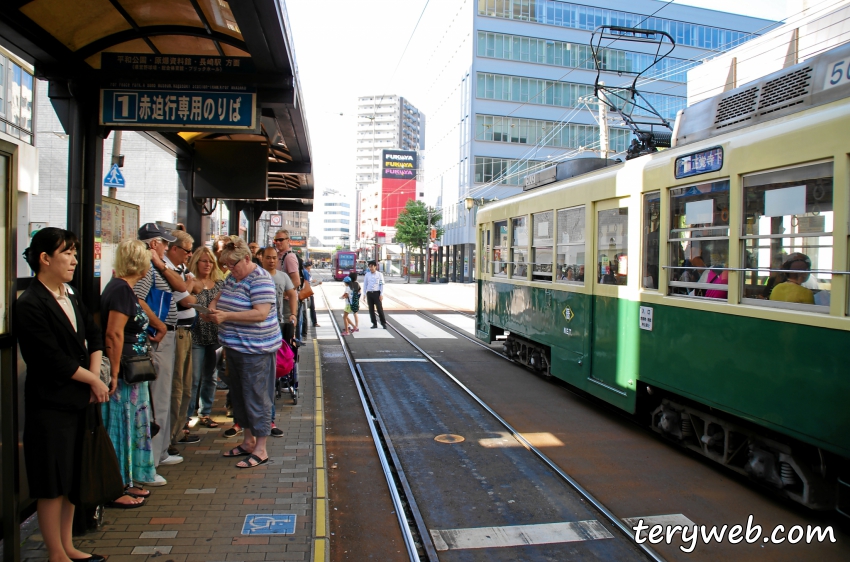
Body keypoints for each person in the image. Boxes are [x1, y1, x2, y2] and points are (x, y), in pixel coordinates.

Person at [16, 228, 109, 562]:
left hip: (79, 399)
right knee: (51, 480)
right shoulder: (30, 303)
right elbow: (50, 359)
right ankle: (56, 552)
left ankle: (68, 545)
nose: (73, 260)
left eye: (74, 252)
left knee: (72, 476)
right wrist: (94, 381)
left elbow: (94, 334)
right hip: (50, 405)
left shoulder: (69, 293)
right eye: (66, 253)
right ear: (45, 259)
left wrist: (96, 374)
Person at [203, 238, 280, 468]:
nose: (229, 269)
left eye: (232, 264)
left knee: (257, 397)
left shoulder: (260, 279)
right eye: (225, 265)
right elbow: (218, 300)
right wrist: (212, 310)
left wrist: (226, 317)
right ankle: (248, 441)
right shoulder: (233, 278)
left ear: (247, 259)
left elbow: (260, 313)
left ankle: (261, 448)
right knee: (240, 397)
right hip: (234, 347)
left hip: (256, 350)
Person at [101, 239, 162, 499]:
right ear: (139, 262)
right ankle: (117, 486)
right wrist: (113, 373)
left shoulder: (121, 288)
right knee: (121, 429)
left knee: (131, 428)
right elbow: (113, 334)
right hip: (124, 374)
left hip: (132, 373)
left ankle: (127, 481)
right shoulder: (120, 290)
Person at [134, 223, 186, 469]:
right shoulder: (145, 269)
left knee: (163, 396)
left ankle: (161, 451)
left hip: (165, 337)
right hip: (157, 339)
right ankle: (152, 460)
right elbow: (136, 298)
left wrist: (161, 264)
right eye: (165, 243)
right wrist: (160, 325)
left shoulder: (158, 267)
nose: (167, 247)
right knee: (158, 398)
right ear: (153, 244)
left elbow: (181, 286)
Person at [166, 230, 199, 456]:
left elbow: (197, 289)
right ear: (174, 249)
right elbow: (187, 299)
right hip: (176, 333)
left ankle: (178, 431)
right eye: (187, 251)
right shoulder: (167, 269)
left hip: (186, 332)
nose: (189, 255)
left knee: (186, 385)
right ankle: (169, 438)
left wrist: (189, 287)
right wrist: (188, 288)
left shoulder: (181, 269)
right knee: (177, 386)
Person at [261, 246, 298, 436]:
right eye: (268, 257)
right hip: (256, 331)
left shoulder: (282, 277)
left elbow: (293, 293)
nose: (271, 261)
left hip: (275, 329)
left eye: (274, 258)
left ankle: (270, 421)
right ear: (261, 258)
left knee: (270, 378)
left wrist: (293, 313)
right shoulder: (256, 275)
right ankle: (241, 421)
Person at [187, 246, 226, 430]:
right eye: (204, 261)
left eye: (210, 261)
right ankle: (186, 416)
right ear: (196, 262)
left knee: (210, 376)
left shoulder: (219, 283)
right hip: (195, 336)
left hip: (214, 336)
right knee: (193, 378)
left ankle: (205, 413)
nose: (208, 264)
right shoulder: (190, 282)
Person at [273, 229, 305, 344]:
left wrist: (283, 295)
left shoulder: (289, 257)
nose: (278, 242)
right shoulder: (278, 256)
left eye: (281, 240)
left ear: (288, 240)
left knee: (286, 334)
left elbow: (296, 282)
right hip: (281, 302)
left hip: (286, 303)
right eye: (276, 240)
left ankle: (287, 359)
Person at [363, 260, 386, 329]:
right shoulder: (367, 275)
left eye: (372, 267)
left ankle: (383, 323)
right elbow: (365, 284)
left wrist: (381, 294)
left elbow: (382, 285)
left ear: (375, 267)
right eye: (369, 267)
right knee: (371, 309)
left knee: (379, 309)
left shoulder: (380, 274)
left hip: (377, 293)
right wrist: (364, 294)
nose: (371, 268)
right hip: (369, 293)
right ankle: (374, 323)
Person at [302, 259, 321, 330]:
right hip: (307, 292)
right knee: (310, 308)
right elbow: (307, 283)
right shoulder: (306, 272)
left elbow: (309, 282)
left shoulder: (306, 272)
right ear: (308, 266)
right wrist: (308, 295)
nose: (311, 267)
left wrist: (315, 282)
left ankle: (313, 322)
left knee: (311, 308)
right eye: (310, 266)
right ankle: (310, 324)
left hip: (308, 291)